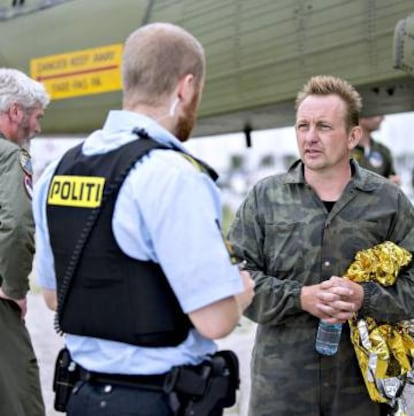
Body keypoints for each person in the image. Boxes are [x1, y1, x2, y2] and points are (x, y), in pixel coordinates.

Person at [33, 22, 254, 416]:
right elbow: (215, 321)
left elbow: (53, 296)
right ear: (185, 88)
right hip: (158, 400)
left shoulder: (57, 171)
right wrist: (241, 291)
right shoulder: (173, 174)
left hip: (83, 397)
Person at [228, 75, 414, 416]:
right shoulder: (264, 198)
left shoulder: (389, 202)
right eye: (303, 126)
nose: (310, 137)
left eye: (324, 127)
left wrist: (365, 298)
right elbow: (235, 280)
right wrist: (301, 297)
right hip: (281, 393)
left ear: (353, 136)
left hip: (362, 395)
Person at [0, 68, 49, 416]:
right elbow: (17, 225)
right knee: (20, 399)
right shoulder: (11, 157)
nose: (38, 127)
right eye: (37, 116)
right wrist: (14, 289)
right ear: (15, 112)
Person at [352, 115, 401, 184]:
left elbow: (392, 178)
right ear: (363, 117)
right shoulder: (344, 150)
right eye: (378, 114)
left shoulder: (383, 151)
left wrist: (394, 182)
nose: (383, 118)